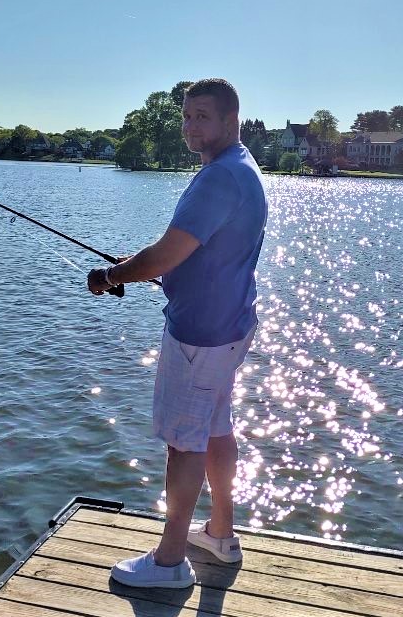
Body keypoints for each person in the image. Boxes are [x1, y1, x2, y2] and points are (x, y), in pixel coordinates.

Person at [87, 78, 268, 589]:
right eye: (187, 116)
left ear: (231, 120)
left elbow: (167, 253)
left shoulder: (219, 178)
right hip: (230, 325)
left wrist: (111, 276)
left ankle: (168, 563)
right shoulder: (242, 169)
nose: (191, 126)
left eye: (202, 116)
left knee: (182, 446)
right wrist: (166, 273)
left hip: (200, 336)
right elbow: (198, 254)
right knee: (214, 430)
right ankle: (220, 535)